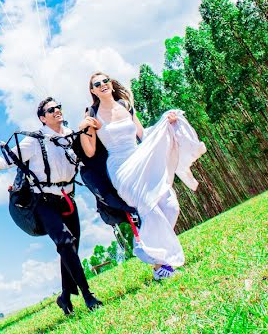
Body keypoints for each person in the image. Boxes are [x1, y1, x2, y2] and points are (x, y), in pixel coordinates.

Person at [0, 98, 103, 315]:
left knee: (71, 247)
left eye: (59, 106)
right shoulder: (34, 140)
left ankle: (65, 297)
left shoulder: (70, 134)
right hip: (44, 201)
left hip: (68, 198)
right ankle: (88, 296)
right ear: (42, 117)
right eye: (51, 109)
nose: (57, 110)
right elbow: (9, 158)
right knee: (65, 243)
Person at [78, 72, 206, 281]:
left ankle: (145, 245)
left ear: (111, 84)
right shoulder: (93, 114)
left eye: (105, 81)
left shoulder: (125, 105)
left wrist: (167, 124)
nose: (102, 85)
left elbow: (142, 134)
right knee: (149, 207)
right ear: (93, 91)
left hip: (139, 157)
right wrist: (84, 129)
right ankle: (160, 267)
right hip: (120, 167)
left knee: (171, 205)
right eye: (97, 84)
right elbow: (90, 151)